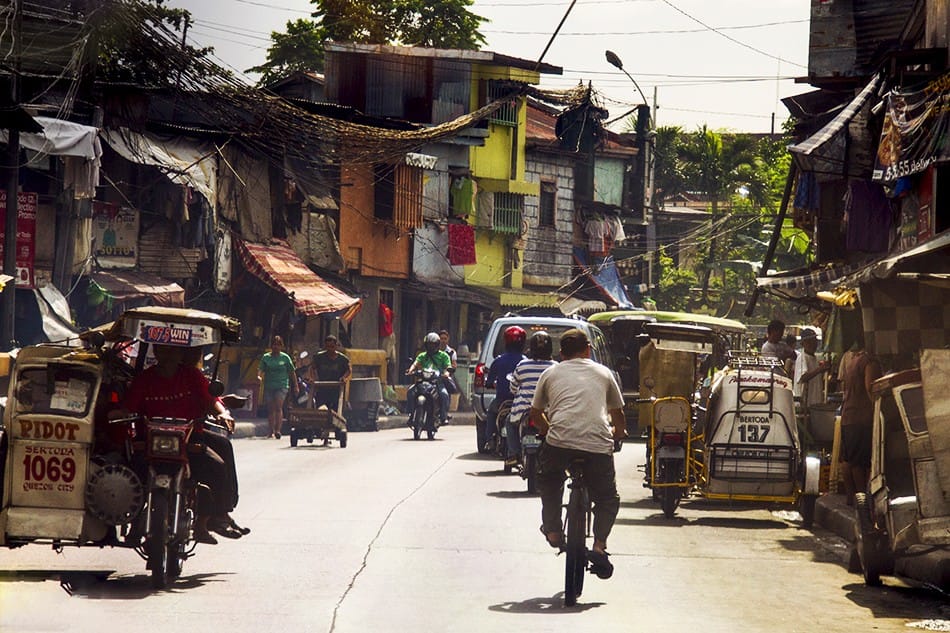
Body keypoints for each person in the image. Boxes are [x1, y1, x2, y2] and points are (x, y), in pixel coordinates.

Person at [120, 344, 244, 544]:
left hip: (188, 440)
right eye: (164, 350)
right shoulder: (145, 379)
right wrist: (118, 413)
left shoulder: (192, 376)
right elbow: (129, 406)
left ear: (180, 354)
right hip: (152, 441)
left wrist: (223, 413)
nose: (168, 356)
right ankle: (135, 521)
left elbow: (211, 399)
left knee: (217, 467)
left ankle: (206, 522)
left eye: (173, 351)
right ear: (157, 353)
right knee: (127, 470)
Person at [530, 328, 625, 580]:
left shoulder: (550, 373)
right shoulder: (604, 373)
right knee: (606, 498)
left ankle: (552, 530)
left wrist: (550, 431)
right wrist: (617, 435)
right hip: (597, 446)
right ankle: (599, 546)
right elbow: (618, 416)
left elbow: (535, 414)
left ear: (561, 353)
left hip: (559, 443)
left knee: (550, 481)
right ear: (588, 350)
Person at [839, 340, 882, 504]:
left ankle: (852, 497)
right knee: (860, 462)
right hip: (861, 417)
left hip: (848, 416)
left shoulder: (853, 360)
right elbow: (870, 388)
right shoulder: (868, 362)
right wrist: (877, 410)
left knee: (848, 459)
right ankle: (863, 499)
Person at [505, 331, 557, 467]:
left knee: (509, 422)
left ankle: (514, 454)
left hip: (522, 411)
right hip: (548, 411)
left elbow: (513, 387)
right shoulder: (556, 367)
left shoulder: (522, 365)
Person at [485, 326, 527, 452]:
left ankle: (489, 440)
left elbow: (489, 382)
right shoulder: (525, 361)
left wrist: (491, 384)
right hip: (519, 402)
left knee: (491, 413)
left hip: (501, 401)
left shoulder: (498, 361)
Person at [406, 332, 453, 426]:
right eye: (429, 344)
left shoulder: (444, 356)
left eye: (433, 344)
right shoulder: (422, 355)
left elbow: (448, 367)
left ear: (437, 345)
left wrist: (446, 373)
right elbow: (415, 363)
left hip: (437, 382)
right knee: (410, 392)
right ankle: (411, 414)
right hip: (423, 381)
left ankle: (443, 417)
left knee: (444, 395)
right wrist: (410, 371)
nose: (431, 347)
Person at [257, 335, 296, 439]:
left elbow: (292, 372)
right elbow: (260, 369)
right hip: (269, 385)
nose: (276, 347)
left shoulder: (285, 357)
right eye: (274, 344)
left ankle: (278, 430)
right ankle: (270, 431)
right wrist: (259, 376)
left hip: (282, 385)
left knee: (278, 407)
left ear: (281, 346)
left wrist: (296, 386)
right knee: (270, 409)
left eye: (278, 345)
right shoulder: (266, 357)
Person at [309, 335, 351, 412]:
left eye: (331, 346)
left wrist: (344, 378)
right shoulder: (319, 357)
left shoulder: (343, 359)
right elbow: (312, 368)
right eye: (327, 346)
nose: (329, 349)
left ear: (336, 346)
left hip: (336, 389)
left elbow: (348, 370)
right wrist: (312, 378)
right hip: (322, 388)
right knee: (321, 409)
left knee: (335, 411)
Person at [793, 327, 829, 413]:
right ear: (803, 343)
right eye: (809, 342)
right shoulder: (802, 357)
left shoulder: (814, 358)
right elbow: (803, 377)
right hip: (805, 405)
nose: (813, 344)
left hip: (815, 403)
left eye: (814, 341)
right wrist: (820, 369)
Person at [379, 302, 396, 386]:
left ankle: (385, 380)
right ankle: (391, 382)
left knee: (385, 358)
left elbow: (384, 319)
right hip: (391, 333)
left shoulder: (381, 307)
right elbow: (393, 316)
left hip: (386, 334)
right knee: (392, 359)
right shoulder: (387, 307)